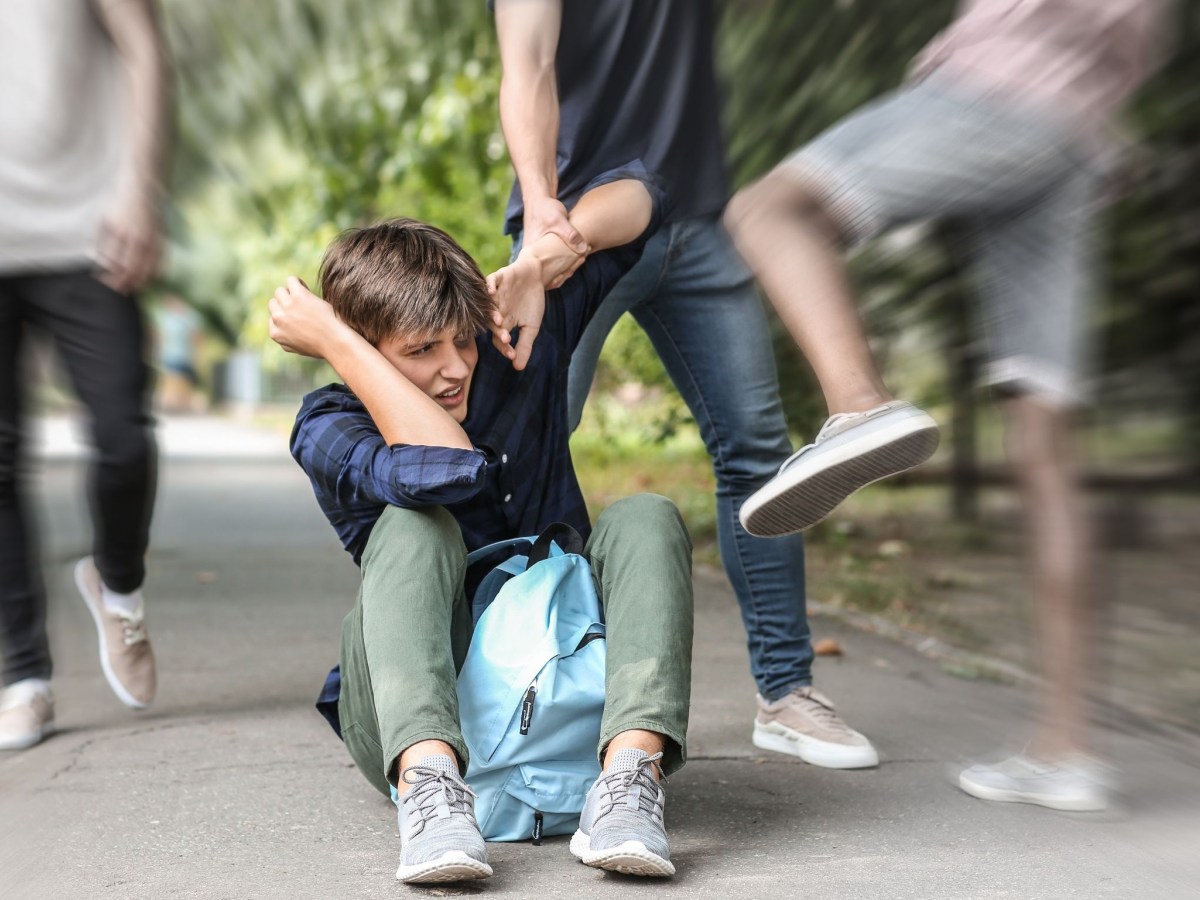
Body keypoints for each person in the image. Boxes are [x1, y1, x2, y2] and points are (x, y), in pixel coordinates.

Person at [724, 0, 1167, 811]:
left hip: (994, 82)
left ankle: (860, 405)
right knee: (1046, 448)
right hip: (1076, 134)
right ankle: (1066, 752)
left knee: (770, 210)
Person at [269, 170, 694, 883]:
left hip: (566, 684)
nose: (453, 368)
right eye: (420, 351)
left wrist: (537, 262)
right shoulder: (328, 425)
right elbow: (448, 469)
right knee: (413, 527)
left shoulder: (511, 341)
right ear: (366, 352)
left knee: (647, 516)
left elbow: (652, 199)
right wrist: (342, 346)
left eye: (459, 340)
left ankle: (629, 780)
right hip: (421, 721)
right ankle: (433, 797)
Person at [490, 0, 879, 772]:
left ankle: (786, 691)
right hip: (572, 230)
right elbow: (526, 65)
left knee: (756, 451)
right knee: (523, 457)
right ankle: (512, 685)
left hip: (697, 217)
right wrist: (539, 206)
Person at [0, 0, 168, 751]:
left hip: (87, 228)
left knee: (123, 437)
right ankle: (22, 676)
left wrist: (140, 191)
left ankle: (117, 580)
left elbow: (144, 50)